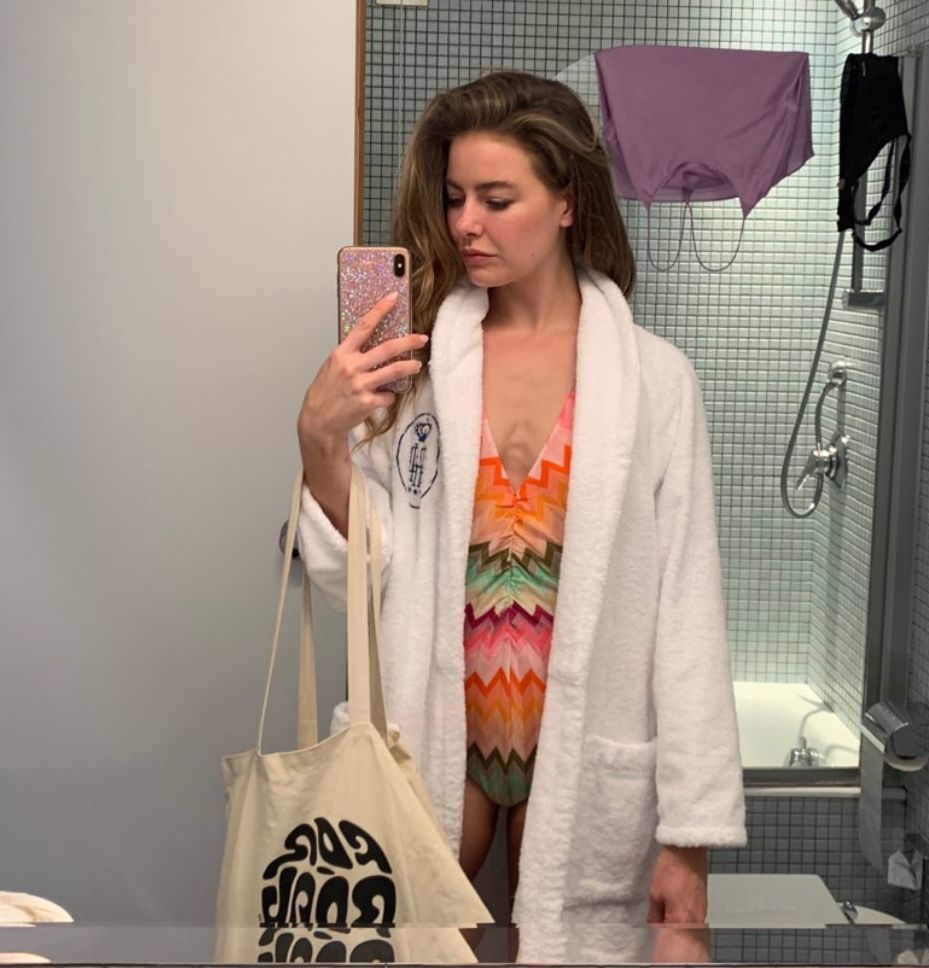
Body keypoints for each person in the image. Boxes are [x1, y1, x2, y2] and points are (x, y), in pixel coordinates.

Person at [296, 71, 746, 962]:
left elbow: (686, 613)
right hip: (438, 732)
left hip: (583, 750)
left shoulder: (654, 383)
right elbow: (364, 577)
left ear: (567, 201)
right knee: (402, 948)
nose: (466, 222)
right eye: (455, 197)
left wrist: (688, 841)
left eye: (497, 200)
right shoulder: (417, 369)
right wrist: (318, 439)